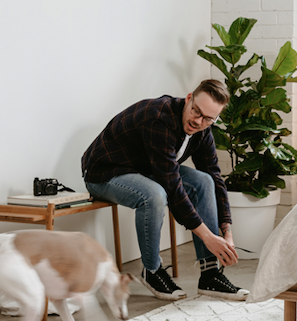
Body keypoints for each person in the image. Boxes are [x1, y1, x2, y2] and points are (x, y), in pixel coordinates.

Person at [82, 79, 247, 302]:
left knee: (204, 181)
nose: (198, 121)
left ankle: (210, 275)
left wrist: (226, 230)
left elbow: (216, 178)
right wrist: (208, 236)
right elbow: (171, 186)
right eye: (196, 112)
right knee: (154, 195)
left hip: (145, 169)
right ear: (189, 99)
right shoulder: (159, 118)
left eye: (208, 118)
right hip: (104, 173)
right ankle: (151, 270)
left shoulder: (203, 130)